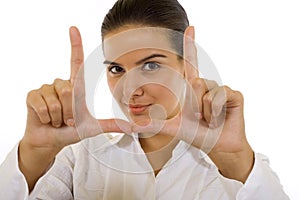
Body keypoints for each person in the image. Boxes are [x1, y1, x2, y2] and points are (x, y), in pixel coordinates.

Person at [0, 0, 289, 199]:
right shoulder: (79, 158)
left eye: (151, 65)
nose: (129, 90)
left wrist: (235, 160)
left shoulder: (240, 169)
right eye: (116, 69)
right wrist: (33, 155)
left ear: (186, 65)